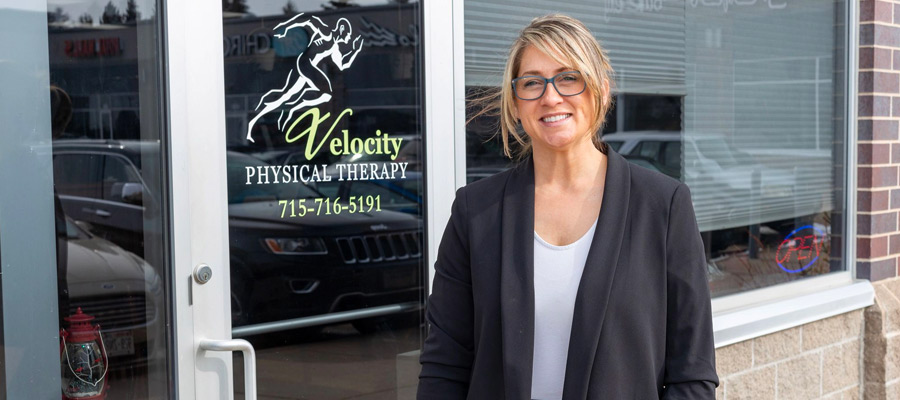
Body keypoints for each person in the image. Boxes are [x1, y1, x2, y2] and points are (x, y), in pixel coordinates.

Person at [417, 14, 718, 399]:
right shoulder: (476, 212)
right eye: (532, 82)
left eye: (568, 77)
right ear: (515, 103)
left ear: (602, 90)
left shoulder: (663, 206)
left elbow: (692, 374)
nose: (550, 96)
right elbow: (445, 365)